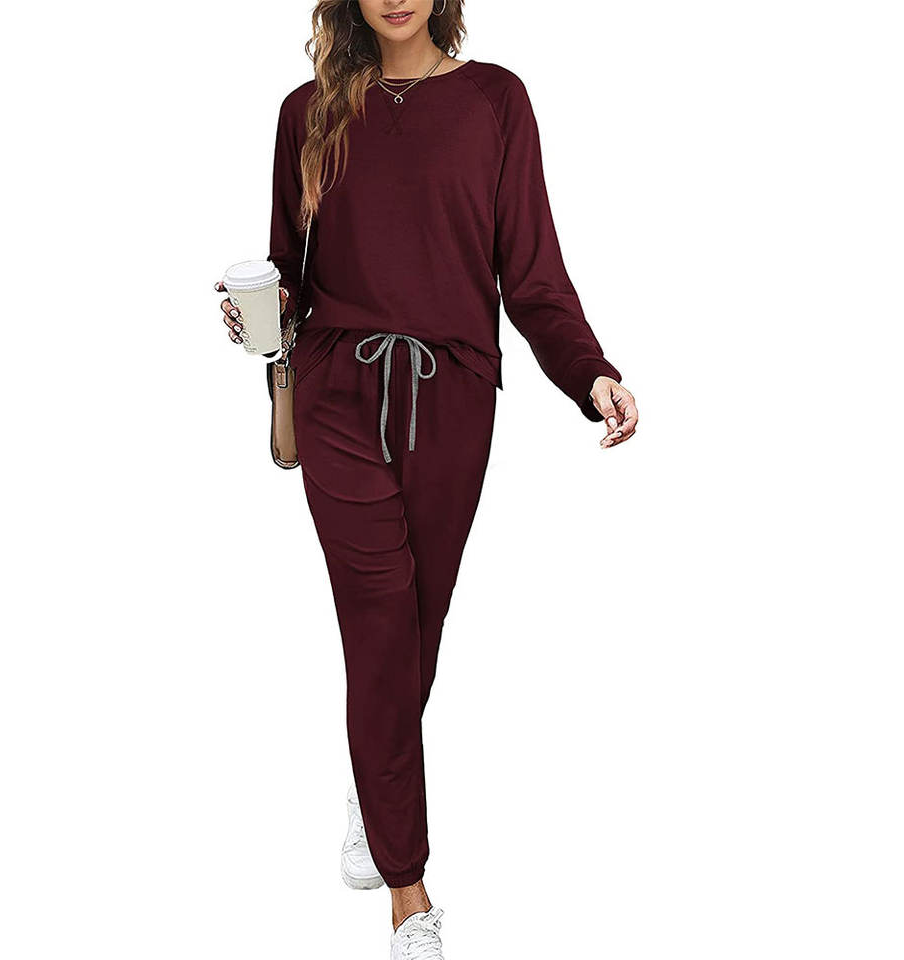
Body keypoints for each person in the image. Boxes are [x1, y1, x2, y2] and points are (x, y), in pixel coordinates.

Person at [216, 2, 638, 956]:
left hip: (453, 397)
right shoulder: (306, 110)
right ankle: (409, 895)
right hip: (336, 390)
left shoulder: (496, 101)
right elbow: (287, 268)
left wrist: (591, 374)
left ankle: (376, 786)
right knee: (377, 614)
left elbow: (532, 274)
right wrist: (256, 312)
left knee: (418, 620)